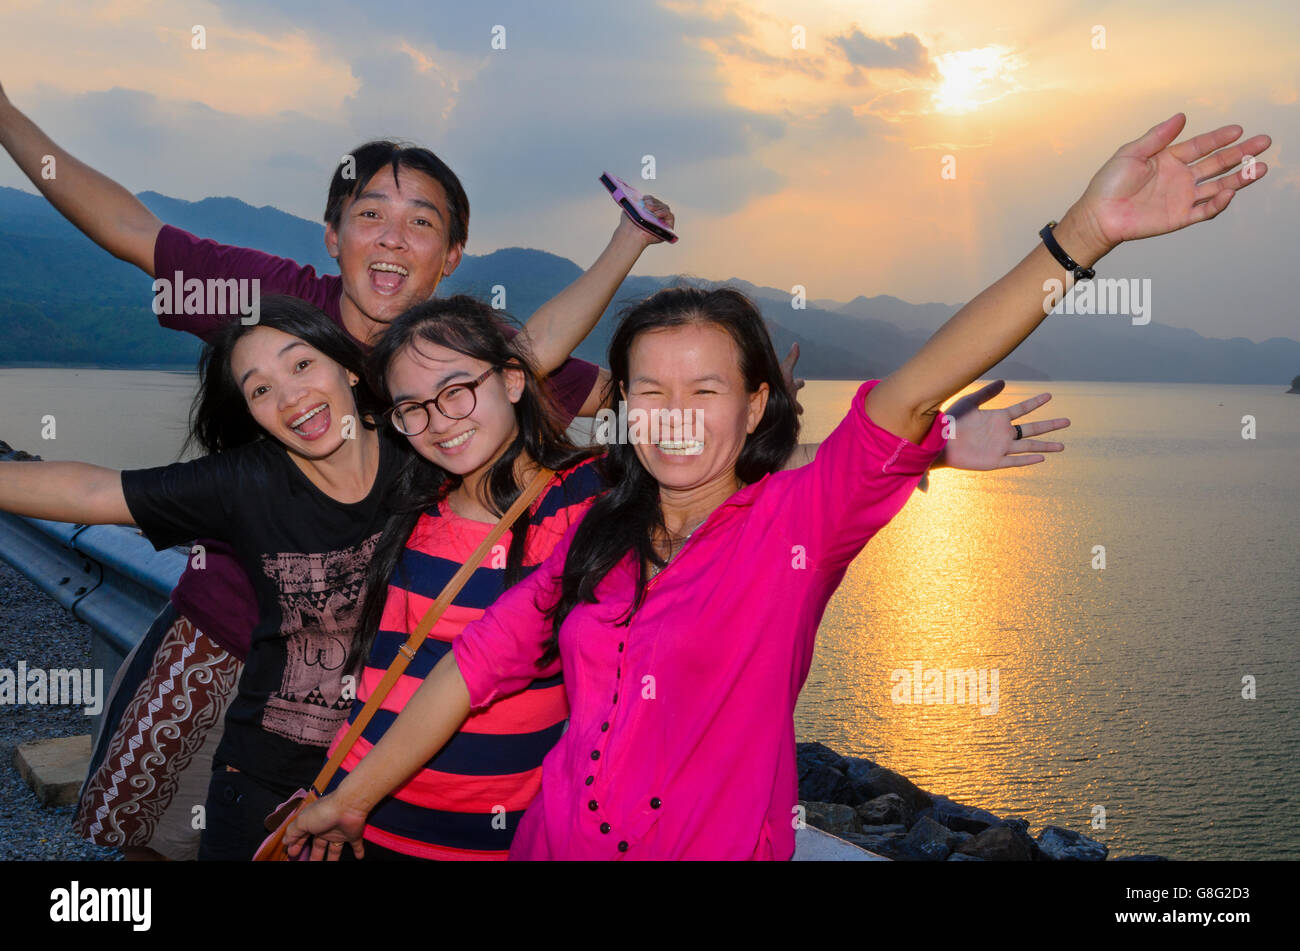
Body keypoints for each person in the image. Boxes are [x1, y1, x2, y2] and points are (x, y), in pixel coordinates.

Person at [285, 112, 1271, 860]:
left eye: (704, 388)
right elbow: (468, 671)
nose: (674, 414)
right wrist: (354, 796)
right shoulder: (593, 530)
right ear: (619, 404)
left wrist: (1080, 238)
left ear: (756, 404)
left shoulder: (793, 527)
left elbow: (920, 381)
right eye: (649, 390)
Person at [0, 80, 676, 857]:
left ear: (452, 255)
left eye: (421, 222)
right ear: (332, 235)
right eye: (370, 216)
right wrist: (8, 119)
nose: (392, 238)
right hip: (222, 644)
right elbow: (127, 227)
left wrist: (754, 401)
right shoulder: (271, 304)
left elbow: (611, 393)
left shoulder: (463, 355)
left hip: (386, 684)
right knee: (155, 844)